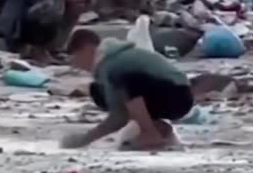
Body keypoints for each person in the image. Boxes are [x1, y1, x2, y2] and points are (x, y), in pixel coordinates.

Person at [60, 30, 195, 150]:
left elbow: (119, 116)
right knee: (101, 92)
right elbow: (119, 114)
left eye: (75, 59)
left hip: (176, 94)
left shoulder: (111, 64)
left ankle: (150, 133)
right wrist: (85, 139)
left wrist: (84, 139)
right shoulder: (109, 62)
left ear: (87, 49)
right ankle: (158, 128)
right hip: (173, 93)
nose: (76, 66)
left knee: (127, 80)